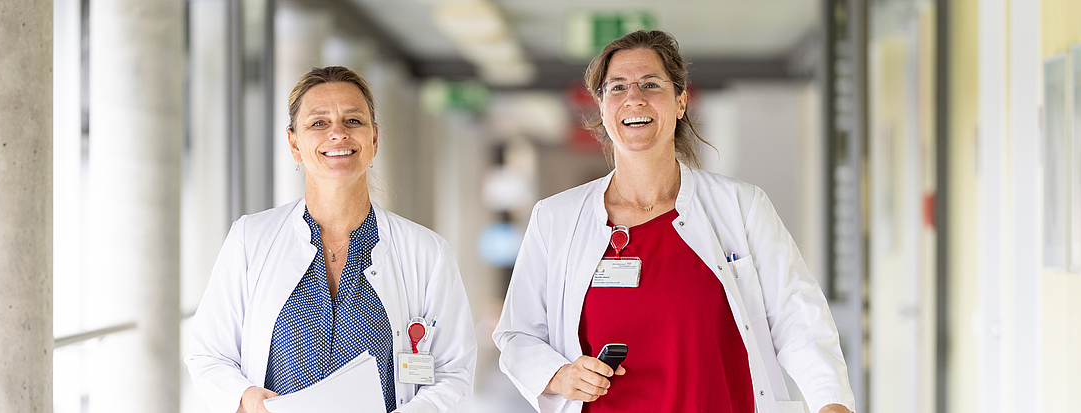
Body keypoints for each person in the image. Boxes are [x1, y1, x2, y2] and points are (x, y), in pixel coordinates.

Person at [492, 31, 855, 413]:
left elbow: (799, 317)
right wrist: (560, 375)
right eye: (617, 87)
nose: (634, 98)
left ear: (681, 101)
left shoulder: (740, 206)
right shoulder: (556, 219)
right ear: (601, 107)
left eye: (651, 84)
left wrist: (830, 403)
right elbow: (517, 335)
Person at [186, 66, 476, 413]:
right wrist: (247, 397)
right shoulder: (250, 239)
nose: (337, 133)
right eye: (318, 123)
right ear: (294, 143)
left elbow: (453, 373)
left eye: (353, 121)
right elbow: (208, 354)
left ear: (374, 139)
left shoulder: (427, 252)